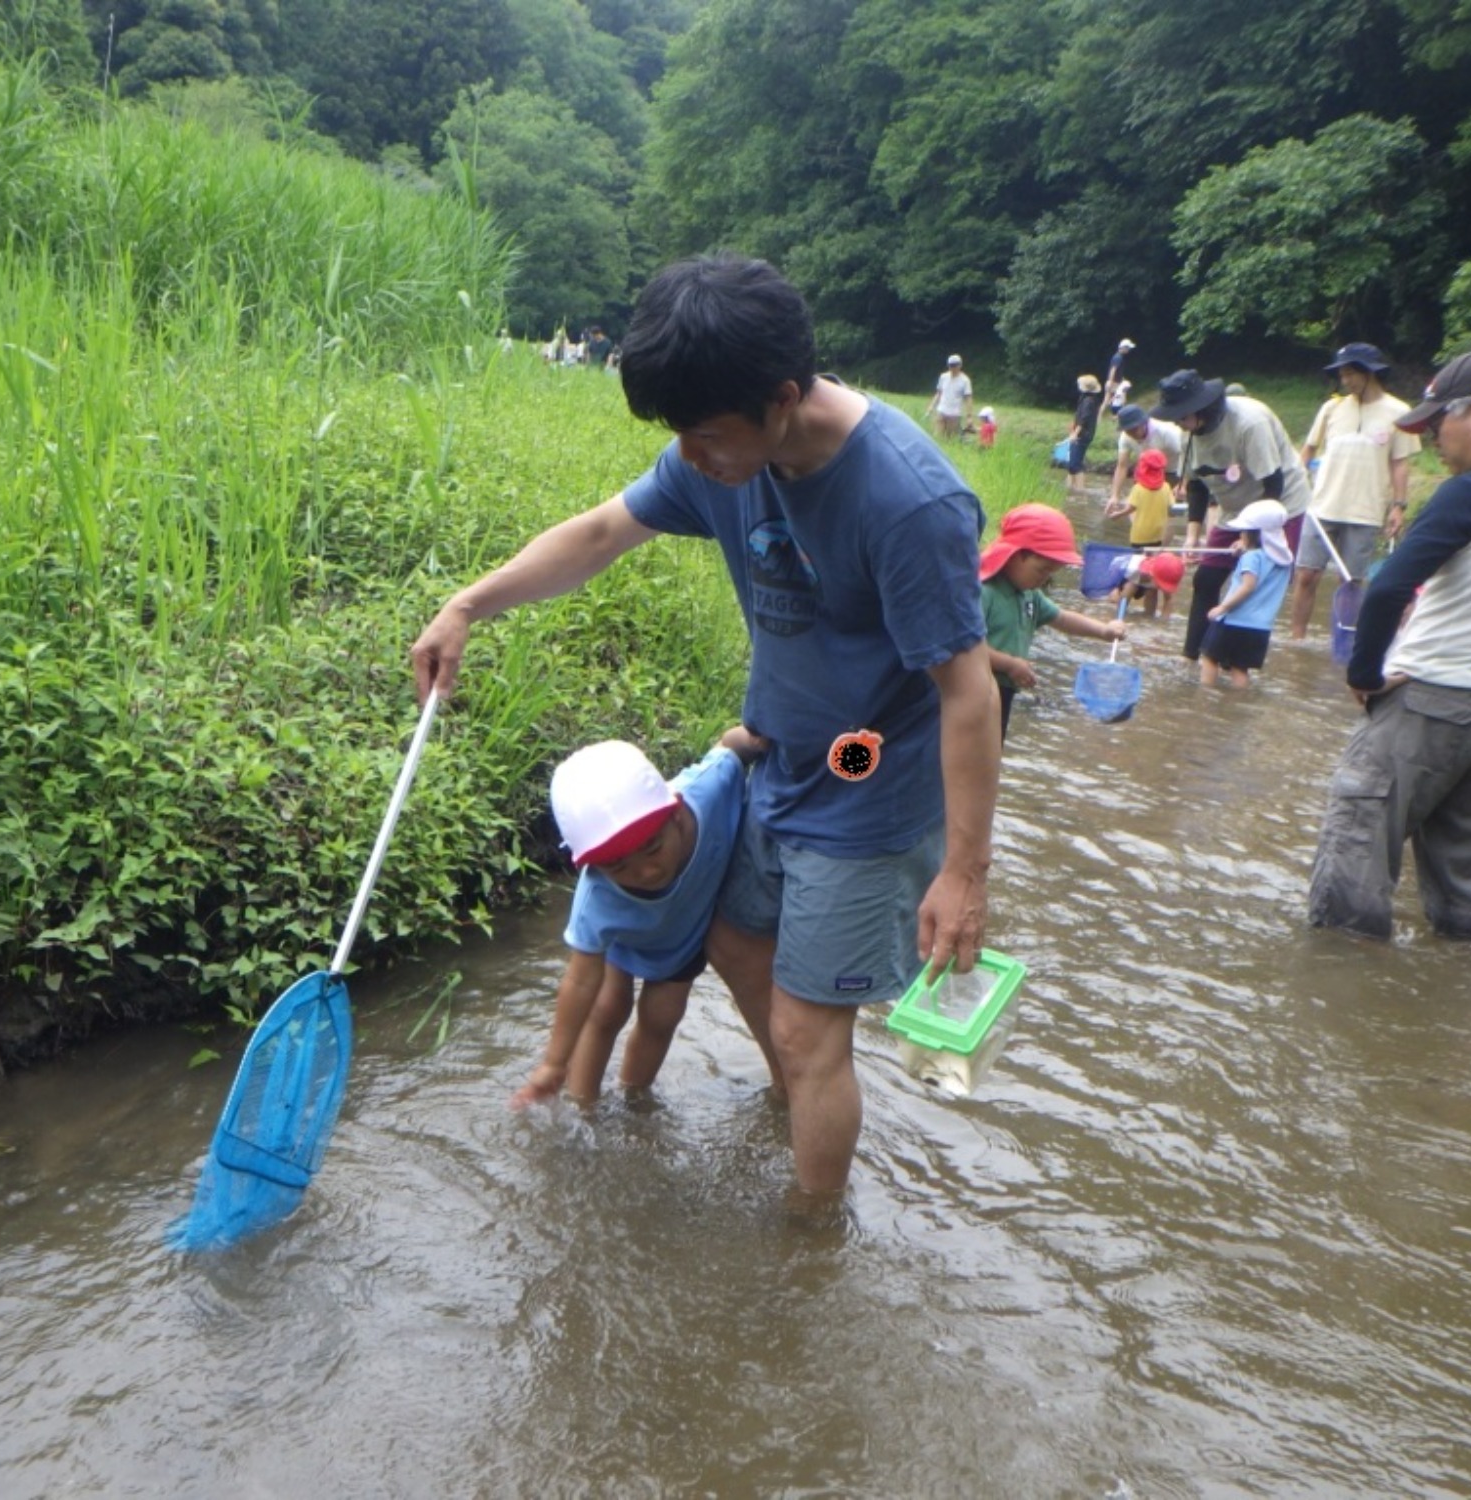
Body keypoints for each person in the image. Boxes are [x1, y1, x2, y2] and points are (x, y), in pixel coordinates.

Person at [411, 254, 1001, 1200]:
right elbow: (602, 533)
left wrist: (963, 872)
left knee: (811, 1028)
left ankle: (811, 1240)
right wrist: (467, 606)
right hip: (781, 755)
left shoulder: (906, 500)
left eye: (705, 434)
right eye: (677, 434)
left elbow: (968, 693)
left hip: (867, 771)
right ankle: (799, 1104)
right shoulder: (720, 454)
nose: (691, 456)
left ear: (780, 398)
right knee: (736, 947)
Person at [1308, 349, 1471, 945]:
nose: (1432, 443)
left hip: (1432, 695)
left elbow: (1388, 588)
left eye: (1434, 426)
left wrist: (1365, 673)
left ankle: (1336, 1000)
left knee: (1357, 845)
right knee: (1468, 882)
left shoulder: (1469, 493)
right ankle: (1457, 998)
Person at [513, 728, 773, 1108]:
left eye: (653, 849)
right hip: (624, 936)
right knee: (605, 1008)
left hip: (682, 941)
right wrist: (553, 1063)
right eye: (619, 867)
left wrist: (763, 735)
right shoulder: (598, 896)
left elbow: (729, 746)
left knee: (662, 1015)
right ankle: (582, 1106)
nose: (647, 872)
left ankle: (634, 1095)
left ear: (678, 814)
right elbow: (580, 980)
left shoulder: (708, 790)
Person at [1148, 369, 1312, 664]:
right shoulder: (1190, 434)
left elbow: (1273, 484)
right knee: (1206, 579)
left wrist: (1248, 536)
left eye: (1182, 416)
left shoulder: (1249, 424)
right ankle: (1191, 656)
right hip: (1235, 508)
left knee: (1255, 580)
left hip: (1278, 505)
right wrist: (1192, 536)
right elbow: (1196, 486)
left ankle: (1235, 662)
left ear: (1202, 410)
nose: (1178, 423)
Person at [1289, 343, 1420, 639]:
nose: (1345, 380)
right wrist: (1296, 487)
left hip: (1366, 511)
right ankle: (1297, 640)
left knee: (1350, 581)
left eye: (1350, 373)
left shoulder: (1399, 412)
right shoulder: (1331, 408)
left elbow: (1399, 464)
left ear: (1369, 373)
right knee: (1306, 575)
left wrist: (1399, 506)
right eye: (1342, 374)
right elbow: (1308, 451)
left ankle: (1344, 639)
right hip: (1321, 506)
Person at [979, 504, 1128, 740]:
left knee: (992, 755)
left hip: (1004, 692)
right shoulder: (985, 592)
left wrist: (1104, 630)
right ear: (1015, 555)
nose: (1045, 579)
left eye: (1051, 573)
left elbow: (1062, 618)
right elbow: (965, 648)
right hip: (976, 689)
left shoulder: (1029, 594)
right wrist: (1009, 664)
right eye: (1042, 570)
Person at [1199, 500, 1293, 687]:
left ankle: (1204, 696)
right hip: (1260, 627)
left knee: (1209, 658)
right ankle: (1238, 702)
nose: (1241, 534)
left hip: (1234, 620)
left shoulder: (1252, 557)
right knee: (1240, 668)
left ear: (1254, 534)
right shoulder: (1285, 560)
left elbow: (1248, 586)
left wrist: (1222, 608)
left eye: (1244, 531)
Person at [1105, 403, 1187, 518]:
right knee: (1135, 506)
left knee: (1167, 513)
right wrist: (1114, 495)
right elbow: (1122, 466)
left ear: (1144, 423)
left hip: (1174, 471)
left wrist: (1183, 484)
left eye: (1134, 429)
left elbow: (1189, 456)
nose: (1131, 434)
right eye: (1127, 430)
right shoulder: (1126, 436)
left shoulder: (1168, 433)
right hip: (1146, 471)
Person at [1104, 448, 1174, 550]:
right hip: (1158, 534)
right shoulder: (1166, 487)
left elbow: (1130, 509)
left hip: (1139, 536)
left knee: (1138, 559)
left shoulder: (1138, 488)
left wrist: (1118, 514)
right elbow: (1171, 508)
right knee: (1152, 559)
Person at [1118, 550, 1184, 620]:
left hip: (1149, 575)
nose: (1161, 587)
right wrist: (1120, 614)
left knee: (1152, 591)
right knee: (1122, 593)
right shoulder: (1136, 568)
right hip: (1124, 577)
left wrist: (1164, 621)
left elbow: (1168, 599)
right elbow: (1125, 597)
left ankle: (1148, 616)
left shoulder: (1167, 573)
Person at [1065, 374, 1103, 492]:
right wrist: (1073, 428)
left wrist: (1075, 433)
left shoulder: (1088, 401)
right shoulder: (1087, 399)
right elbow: (1079, 416)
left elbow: (1084, 419)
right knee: (1072, 463)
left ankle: (1080, 490)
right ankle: (1070, 487)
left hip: (1083, 435)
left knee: (1076, 464)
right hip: (1082, 433)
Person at [927, 353, 973, 439]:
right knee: (937, 437)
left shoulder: (965, 380)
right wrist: (931, 406)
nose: (953, 368)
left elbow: (968, 399)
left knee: (950, 438)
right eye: (951, 365)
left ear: (960, 365)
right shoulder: (943, 377)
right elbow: (939, 393)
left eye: (955, 365)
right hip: (941, 411)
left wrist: (969, 416)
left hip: (954, 414)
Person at [1102, 337, 1136, 416]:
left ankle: (1107, 416)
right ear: (1124, 348)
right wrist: (1110, 382)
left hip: (1115, 382)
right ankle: (1115, 416)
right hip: (1114, 383)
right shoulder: (1118, 357)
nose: (1129, 350)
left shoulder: (1118, 357)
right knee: (1116, 399)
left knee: (1109, 400)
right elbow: (1113, 370)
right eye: (1128, 348)